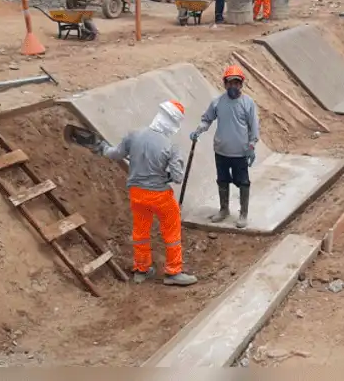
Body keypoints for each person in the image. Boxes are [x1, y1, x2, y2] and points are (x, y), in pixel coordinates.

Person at [93, 100, 198, 286]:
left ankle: (142, 269)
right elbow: (178, 177)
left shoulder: (134, 135)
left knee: (141, 232)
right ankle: (173, 272)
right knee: (171, 232)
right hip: (160, 196)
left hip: (137, 194)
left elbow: (115, 154)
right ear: (174, 123)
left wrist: (102, 148)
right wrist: (165, 174)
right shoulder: (171, 146)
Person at [189, 65, 260, 229]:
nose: (233, 86)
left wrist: (252, 145)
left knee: (243, 182)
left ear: (241, 84)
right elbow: (207, 119)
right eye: (230, 83)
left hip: (240, 152)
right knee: (222, 180)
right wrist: (199, 130)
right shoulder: (218, 103)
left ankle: (243, 214)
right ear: (225, 84)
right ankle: (224, 209)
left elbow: (254, 126)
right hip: (221, 151)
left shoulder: (248, 103)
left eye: (237, 83)